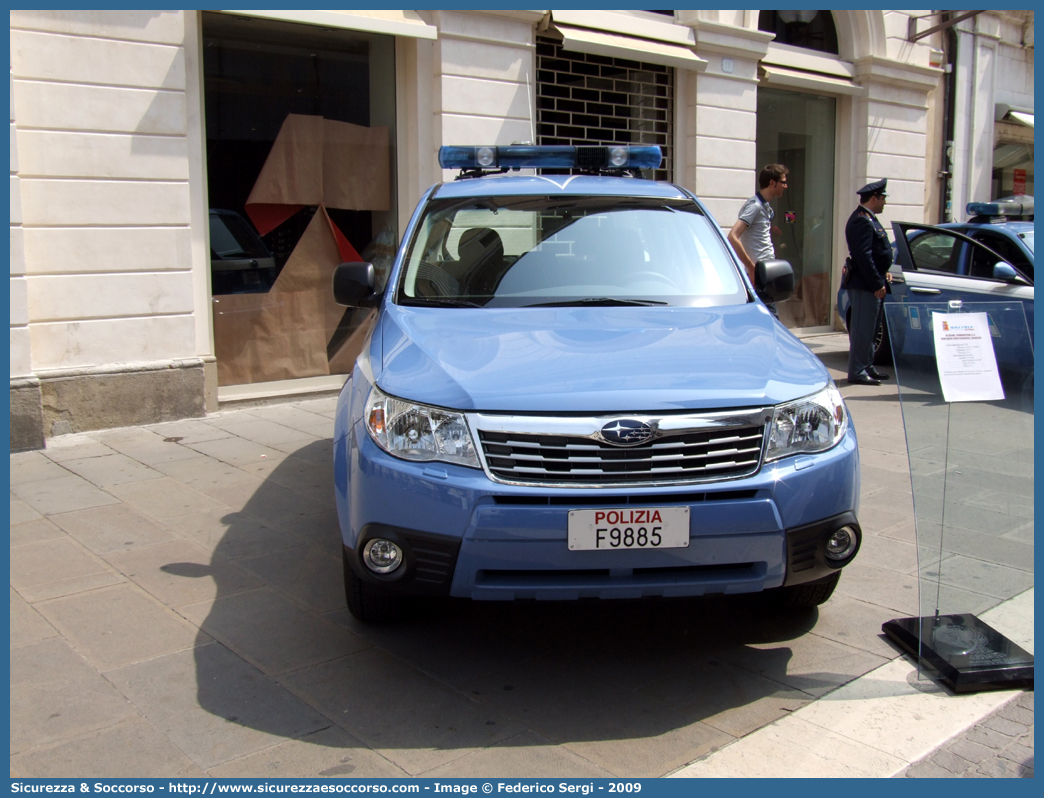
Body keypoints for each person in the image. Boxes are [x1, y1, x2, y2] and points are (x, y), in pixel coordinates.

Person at [844, 178, 893, 386]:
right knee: (862, 330)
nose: (884, 203)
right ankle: (857, 370)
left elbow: (876, 252)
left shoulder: (870, 218)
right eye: (883, 199)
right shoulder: (861, 220)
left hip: (873, 282)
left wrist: (884, 273)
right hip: (865, 285)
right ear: (874, 198)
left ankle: (866, 365)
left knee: (872, 329)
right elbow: (863, 256)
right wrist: (876, 283)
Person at [728, 164, 789, 317]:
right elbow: (732, 237)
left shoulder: (765, 207)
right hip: (759, 277)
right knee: (770, 325)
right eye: (783, 182)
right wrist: (752, 267)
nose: (785, 186)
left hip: (768, 275)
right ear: (772, 183)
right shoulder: (754, 206)